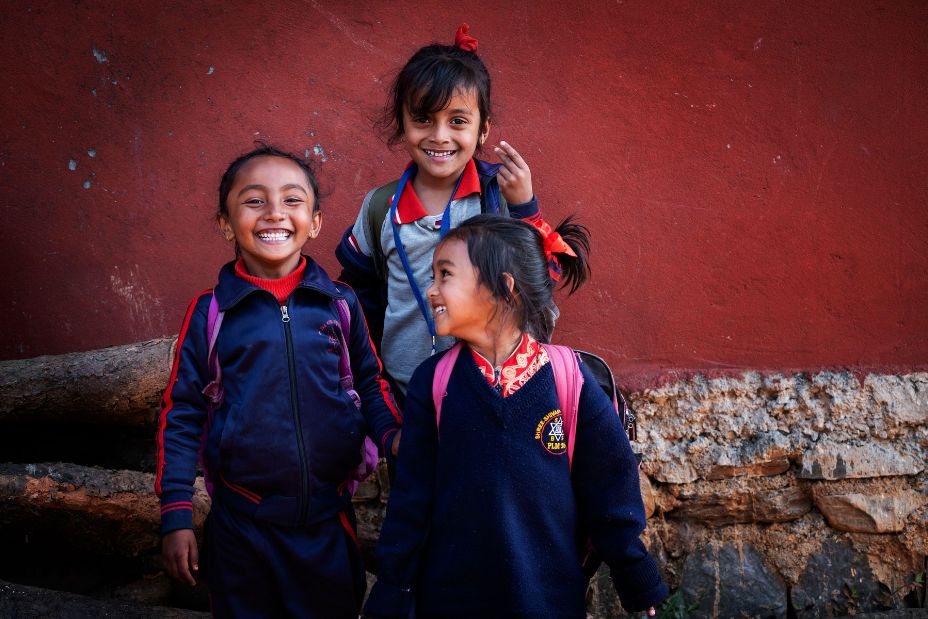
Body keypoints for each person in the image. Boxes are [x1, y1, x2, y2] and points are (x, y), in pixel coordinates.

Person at [364, 214, 668, 618]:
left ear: (503, 288)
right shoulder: (433, 383)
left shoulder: (568, 379)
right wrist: (392, 590)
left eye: (445, 275)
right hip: (451, 598)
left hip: (547, 599)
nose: (431, 289)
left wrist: (634, 571)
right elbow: (410, 502)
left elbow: (609, 486)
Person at [155, 145, 401, 618]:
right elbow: (182, 413)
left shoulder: (340, 303)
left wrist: (393, 436)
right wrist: (176, 513)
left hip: (329, 523)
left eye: (292, 200)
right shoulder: (211, 313)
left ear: (315, 222)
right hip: (243, 528)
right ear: (226, 223)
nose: (274, 213)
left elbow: (371, 383)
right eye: (253, 201)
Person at [336, 24, 542, 402]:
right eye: (423, 119)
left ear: (483, 130)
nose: (440, 136)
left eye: (458, 121)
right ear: (402, 123)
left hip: (492, 386)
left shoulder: (499, 198)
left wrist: (525, 208)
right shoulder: (380, 208)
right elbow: (357, 295)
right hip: (404, 390)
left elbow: (539, 287)